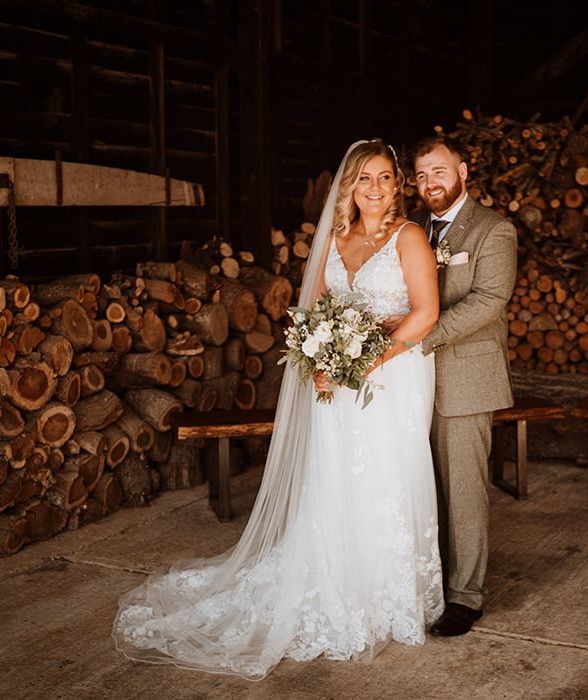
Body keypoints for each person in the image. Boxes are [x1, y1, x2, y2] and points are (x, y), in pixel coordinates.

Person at [113, 140, 444, 679]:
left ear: (397, 185)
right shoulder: (333, 238)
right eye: (365, 179)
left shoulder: (408, 238)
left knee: (387, 478)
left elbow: (426, 313)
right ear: (348, 187)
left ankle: (385, 595)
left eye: (385, 178)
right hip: (334, 382)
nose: (376, 189)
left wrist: (365, 361)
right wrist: (320, 354)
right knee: (335, 478)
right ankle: (330, 577)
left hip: (393, 377)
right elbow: (310, 312)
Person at [410, 135, 517, 636]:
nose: (430, 183)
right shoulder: (410, 230)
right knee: (419, 483)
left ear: (464, 171)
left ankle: (466, 597)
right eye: (422, 175)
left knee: (463, 488)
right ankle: (427, 579)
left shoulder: (493, 230)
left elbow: (489, 301)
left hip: (465, 376)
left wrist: (419, 336)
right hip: (411, 381)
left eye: (439, 171)